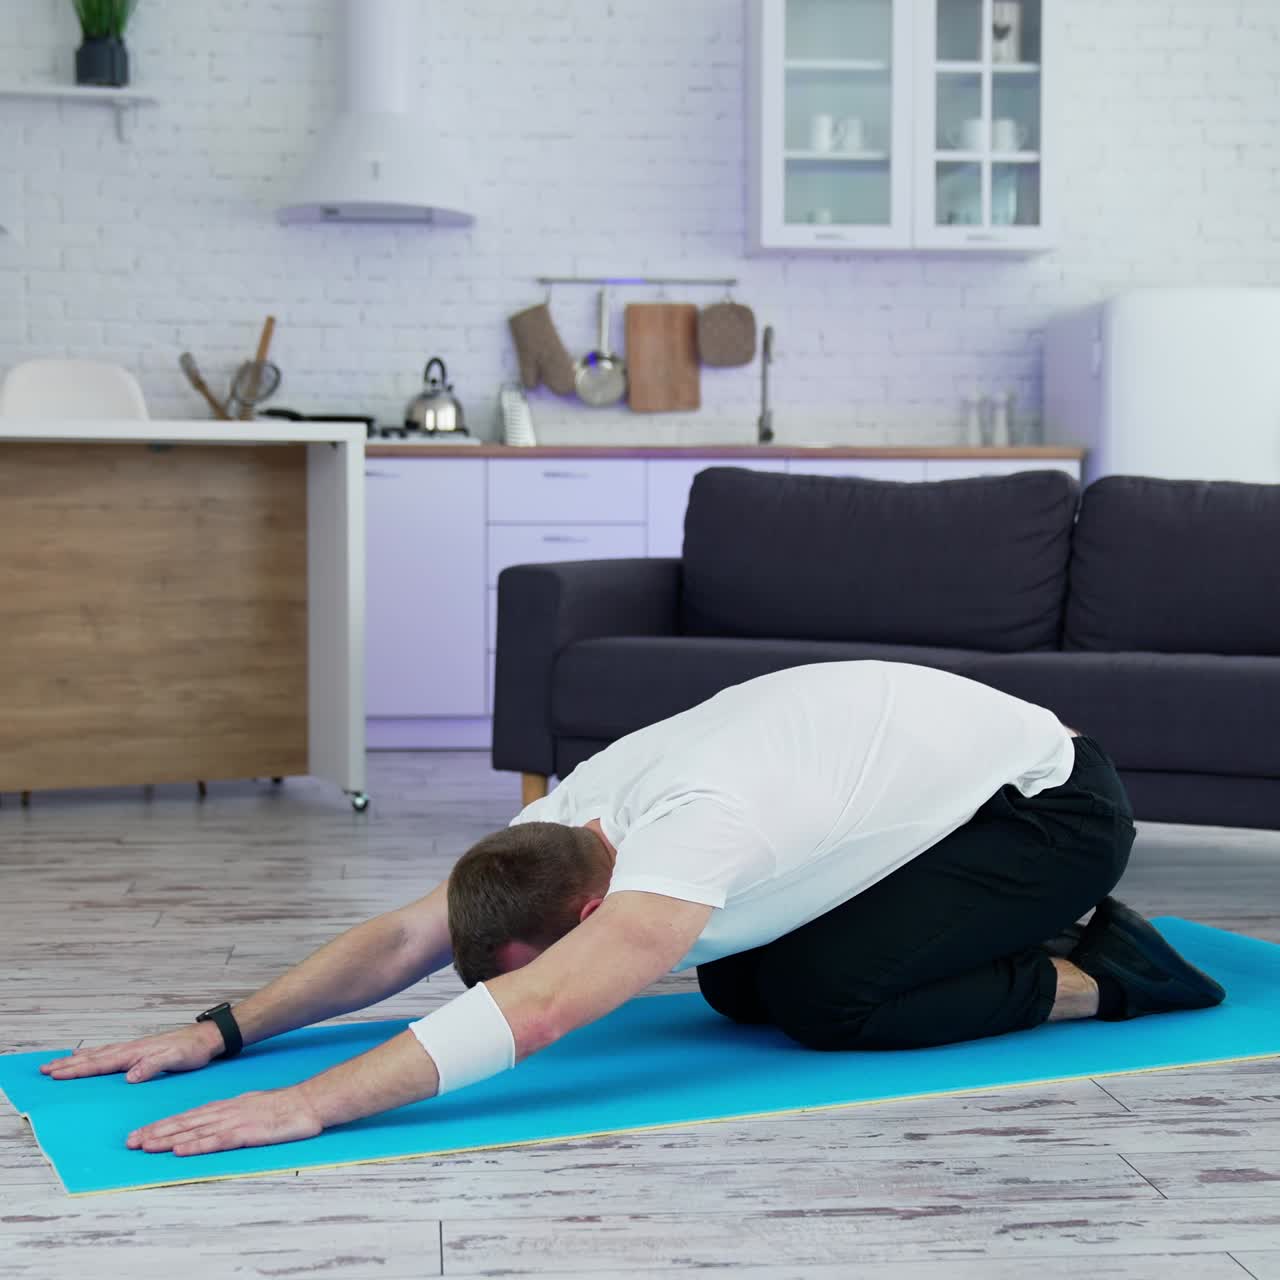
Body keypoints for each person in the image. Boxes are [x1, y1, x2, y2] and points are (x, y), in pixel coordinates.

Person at [41, 661, 1225, 1158]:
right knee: (733, 979)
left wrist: (307, 1103)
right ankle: (1003, 935)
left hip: (1045, 809)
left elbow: (545, 1004)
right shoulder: (574, 815)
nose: (512, 974)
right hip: (932, 789)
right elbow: (409, 932)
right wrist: (222, 1029)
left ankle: (1107, 968)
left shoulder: (693, 830)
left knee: (824, 997)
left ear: (596, 899)